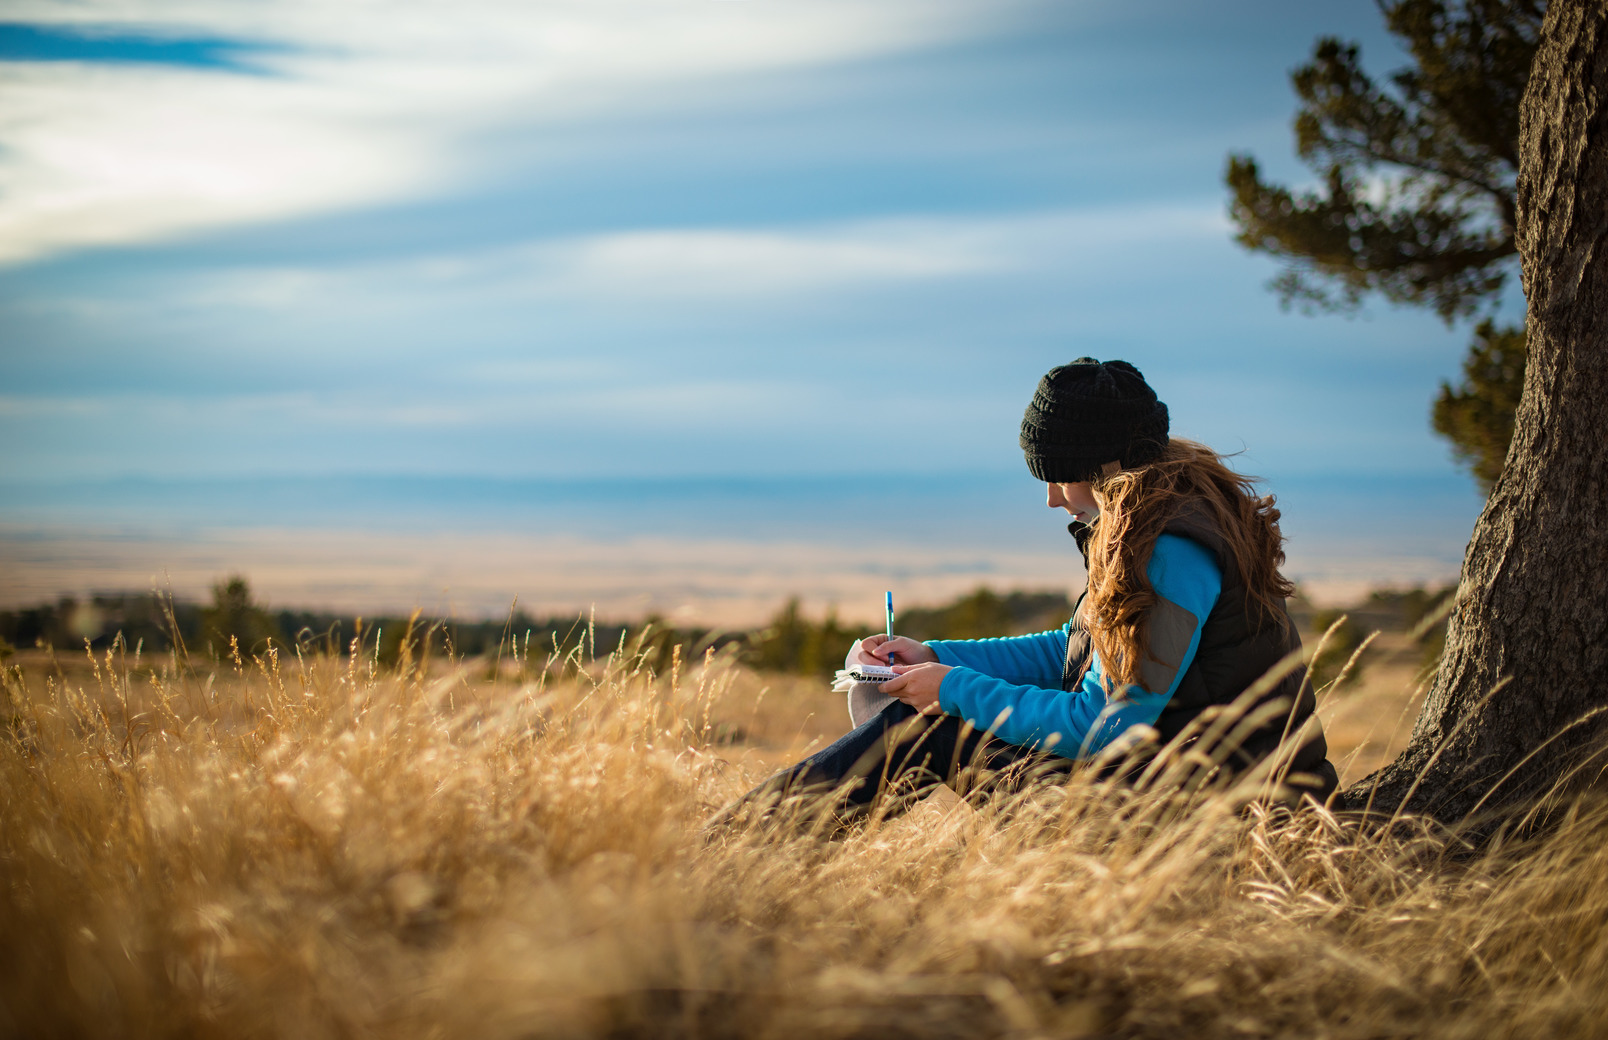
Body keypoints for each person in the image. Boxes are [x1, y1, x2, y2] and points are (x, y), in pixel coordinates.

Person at [730, 358, 1339, 827]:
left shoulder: (1167, 549)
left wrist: (950, 689)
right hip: (1189, 791)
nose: (1051, 499)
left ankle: (736, 851)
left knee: (933, 729)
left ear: (1102, 466)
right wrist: (937, 657)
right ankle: (745, 846)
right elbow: (1077, 652)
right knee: (933, 715)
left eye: (1057, 477)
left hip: (1224, 820)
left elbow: (1107, 727)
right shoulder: (1168, 519)